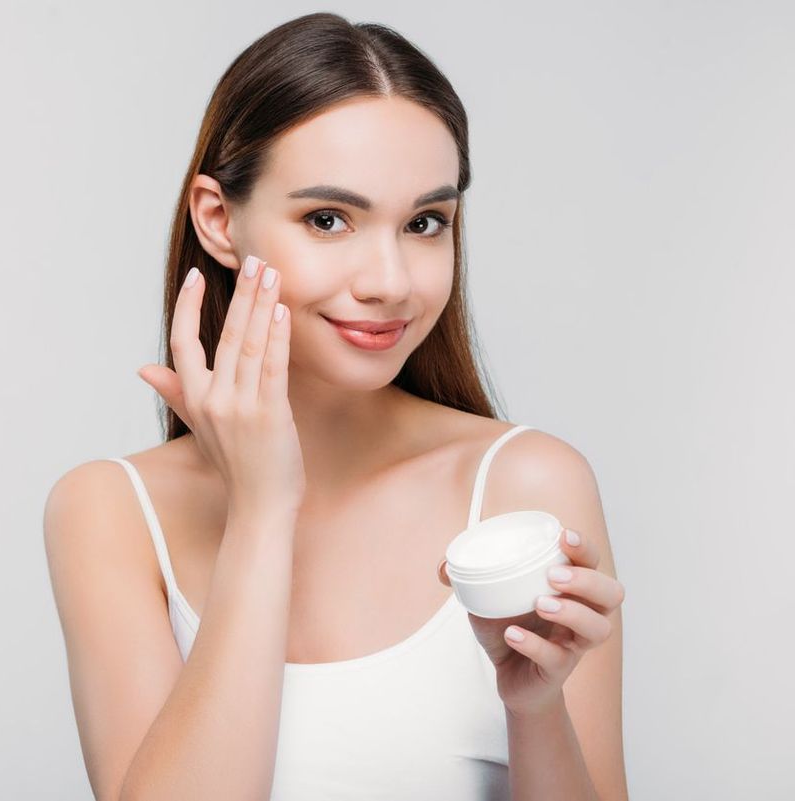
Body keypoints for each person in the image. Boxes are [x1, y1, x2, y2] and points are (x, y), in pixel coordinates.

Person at [43, 12, 627, 801]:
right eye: (328, 219)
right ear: (218, 219)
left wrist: (536, 708)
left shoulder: (527, 485)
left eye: (425, 223)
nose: (389, 280)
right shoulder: (111, 510)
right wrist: (262, 510)